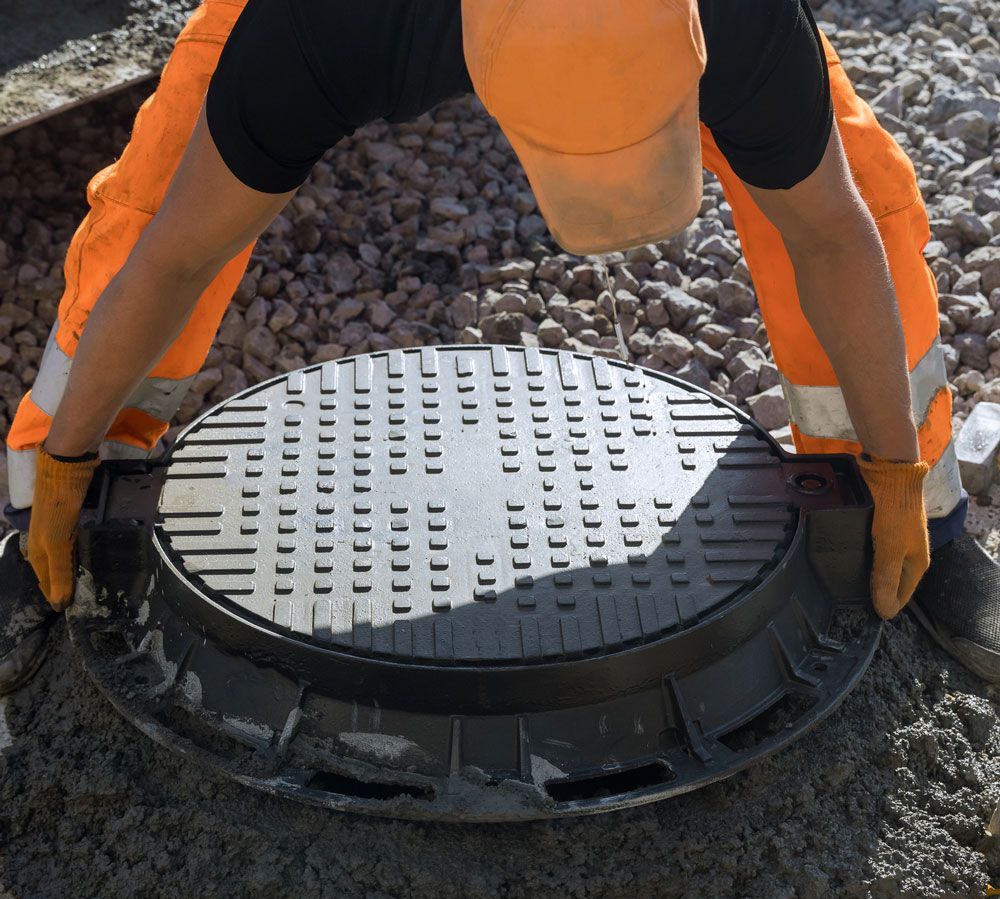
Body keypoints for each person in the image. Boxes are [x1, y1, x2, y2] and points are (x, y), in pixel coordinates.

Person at [2, 0, 997, 695]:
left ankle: (922, 521)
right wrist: (65, 462)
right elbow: (176, 257)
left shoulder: (735, 19)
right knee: (154, 209)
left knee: (856, 186)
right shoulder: (335, 25)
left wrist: (896, 470)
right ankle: (49, 507)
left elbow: (831, 232)